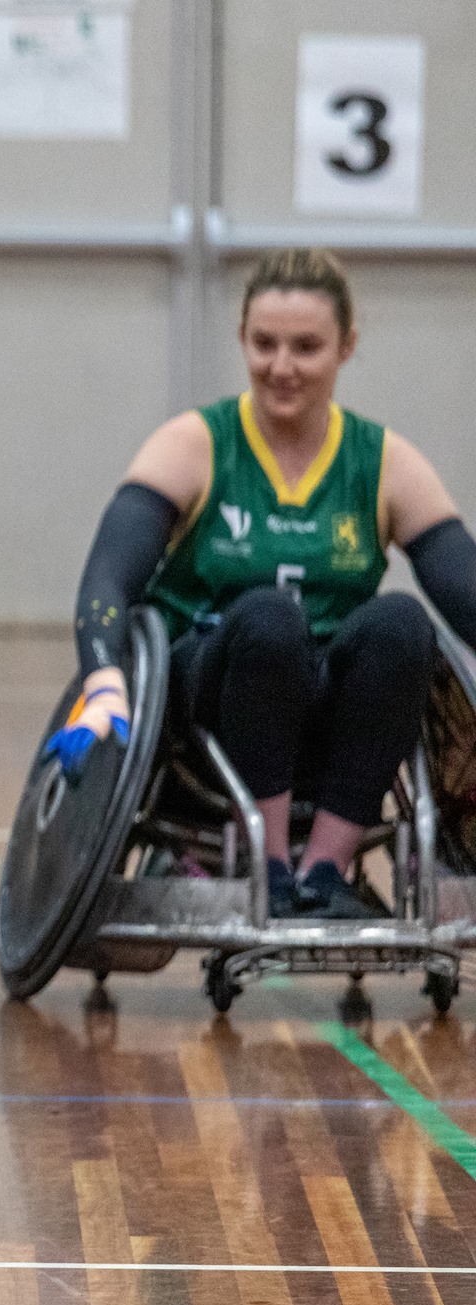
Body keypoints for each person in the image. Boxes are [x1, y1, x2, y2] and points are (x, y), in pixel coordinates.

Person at [50, 248, 476, 918]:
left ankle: (324, 873)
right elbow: (109, 573)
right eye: (264, 344)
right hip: (209, 704)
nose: (282, 366)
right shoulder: (195, 443)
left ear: (346, 347)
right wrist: (102, 676)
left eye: (306, 347)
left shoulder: (384, 461)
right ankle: (268, 868)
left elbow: (463, 588)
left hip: (329, 708)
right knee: (273, 621)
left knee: (403, 622)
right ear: (242, 341)